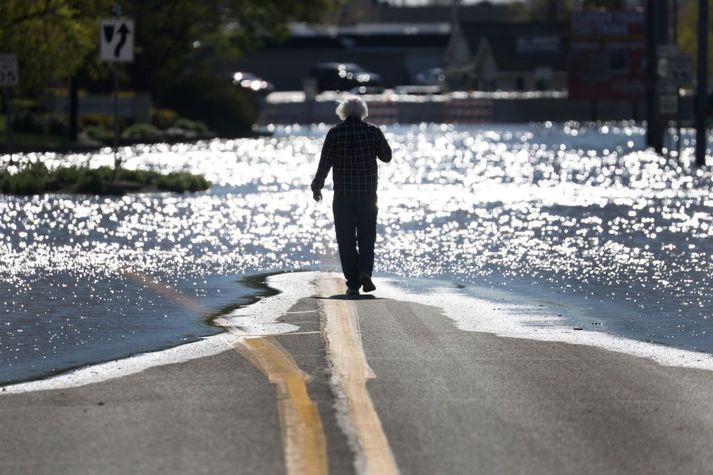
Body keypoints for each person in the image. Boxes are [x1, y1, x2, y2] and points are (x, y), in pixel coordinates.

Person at [311, 96, 392, 296]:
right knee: (366, 237)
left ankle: (353, 283)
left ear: (344, 112)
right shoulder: (372, 131)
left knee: (345, 240)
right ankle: (365, 271)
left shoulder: (335, 133)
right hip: (367, 196)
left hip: (343, 197)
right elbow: (387, 156)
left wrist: (317, 186)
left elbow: (325, 163)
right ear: (362, 112)